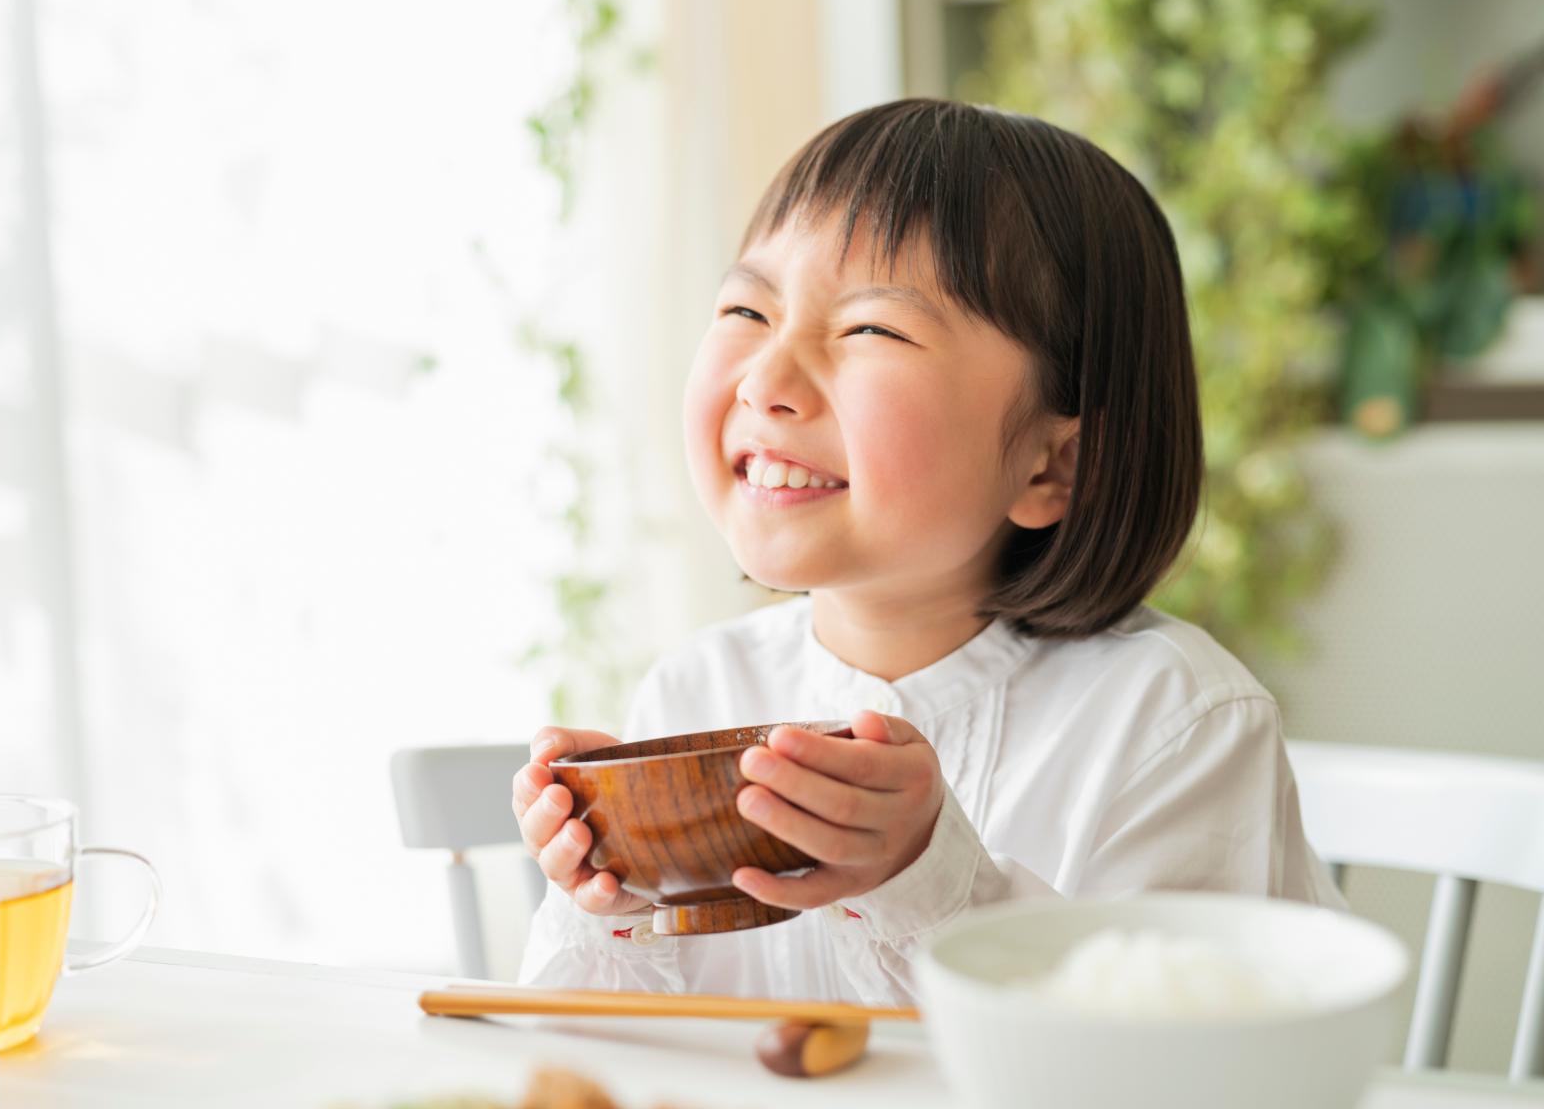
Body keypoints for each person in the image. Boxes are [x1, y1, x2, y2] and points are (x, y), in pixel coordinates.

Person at [510, 98, 1342, 1005]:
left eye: (871, 329)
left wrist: (924, 880)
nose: (767, 381)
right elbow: (615, 1061)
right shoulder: (697, 690)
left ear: (1052, 463)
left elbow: (1163, 1067)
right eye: (747, 308)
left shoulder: (1175, 724)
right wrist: (611, 906)